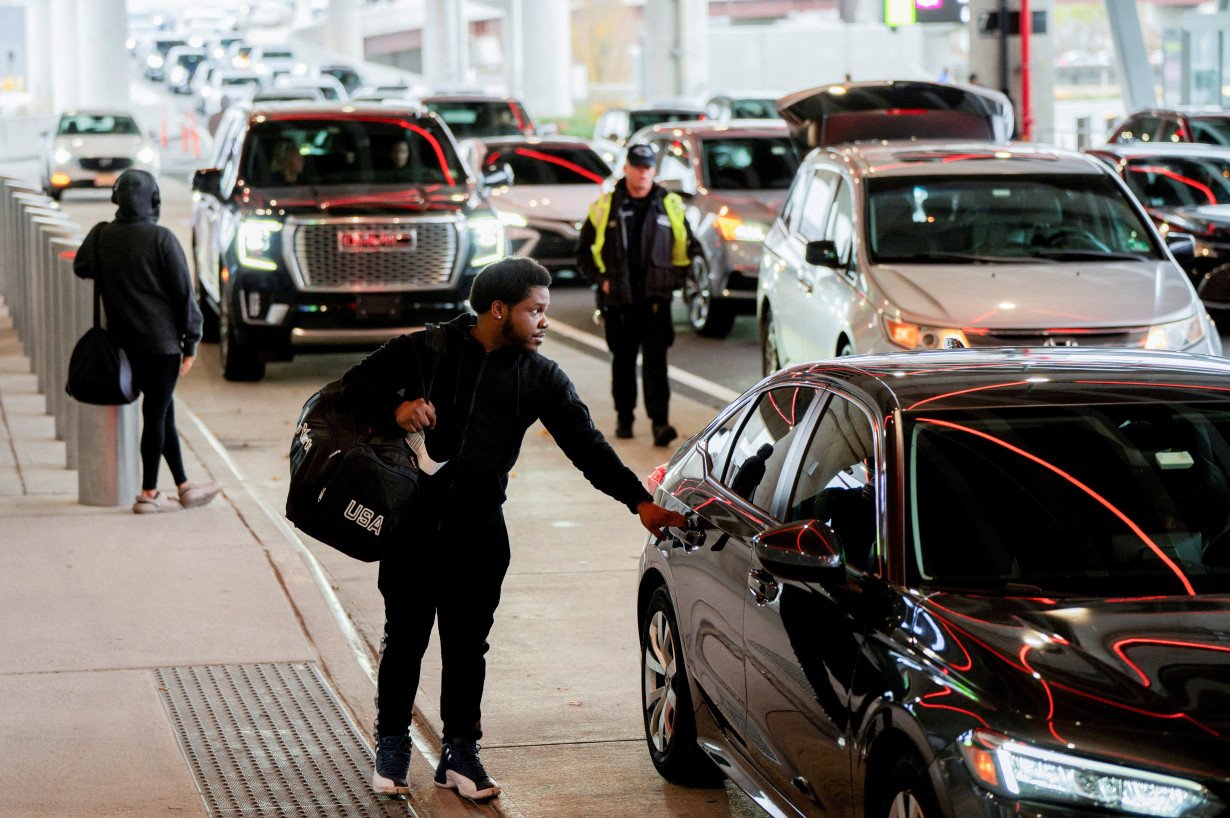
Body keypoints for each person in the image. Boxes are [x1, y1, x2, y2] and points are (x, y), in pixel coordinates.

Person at [339, 257, 687, 801]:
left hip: (479, 529)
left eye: (546, 311)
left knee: (466, 645)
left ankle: (459, 752)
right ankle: (392, 743)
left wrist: (637, 500)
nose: (545, 321)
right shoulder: (425, 349)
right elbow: (351, 387)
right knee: (405, 638)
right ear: (498, 309)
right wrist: (397, 405)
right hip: (411, 526)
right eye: (536, 310)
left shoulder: (540, 375)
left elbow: (585, 444)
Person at [73, 170, 221, 514]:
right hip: (163, 346)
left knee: (161, 413)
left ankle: (184, 486)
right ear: (154, 199)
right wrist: (191, 344)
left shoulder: (100, 236)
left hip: (123, 347)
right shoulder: (162, 239)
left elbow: (82, 267)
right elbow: (185, 297)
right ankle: (149, 492)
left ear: (117, 199)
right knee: (156, 413)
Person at [577, 143, 699, 447]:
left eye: (648, 167)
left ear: (654, 170)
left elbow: (688, 248)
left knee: (656, 364)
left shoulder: (669, 204)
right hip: (618, 301)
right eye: (637, 166)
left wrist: (674, 280)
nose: (643, 172)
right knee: (623, 363)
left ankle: (660, 423)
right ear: (627, 168)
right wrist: (602, 281)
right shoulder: (606, 207)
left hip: (656, 301)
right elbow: (583, 254)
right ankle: (625, 418)